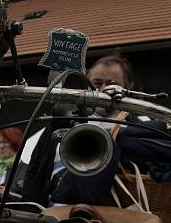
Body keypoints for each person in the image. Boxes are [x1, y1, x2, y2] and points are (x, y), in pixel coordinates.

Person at [23, 53, 134, 206]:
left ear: (127, 87)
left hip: (110, 218)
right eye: (97, 83)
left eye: (111, 84)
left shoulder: (137, 128)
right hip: (50, 217)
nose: (103, 90)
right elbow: (35, 168)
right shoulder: (62, 120)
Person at [0, 128, 27, 202]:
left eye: (5, 142)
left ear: (16, 142)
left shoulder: (27, 170)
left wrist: (9, 195)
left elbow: (32, 200)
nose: (1, 146)